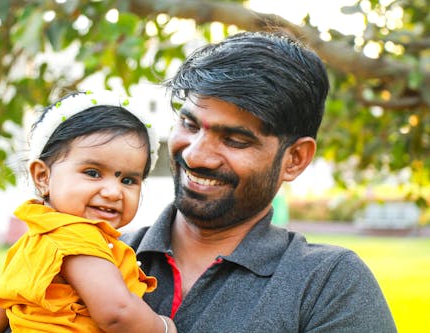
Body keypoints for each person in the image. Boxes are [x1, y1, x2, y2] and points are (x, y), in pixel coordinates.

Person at [120, 31, 398, 332]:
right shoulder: (99, 254)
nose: (197, 156)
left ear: (295, 159)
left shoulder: (327, 284)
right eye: (189, 124)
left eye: (235, 140)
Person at [0, 90, 176, 333]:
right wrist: (164, 326)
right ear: (43, 177)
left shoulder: (35, 239)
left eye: (128, 180)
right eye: (93, 173)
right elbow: (116, 313)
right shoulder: (78, 237)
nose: (113, 192)